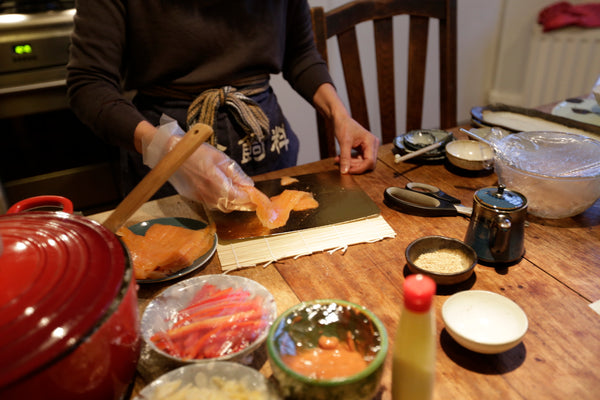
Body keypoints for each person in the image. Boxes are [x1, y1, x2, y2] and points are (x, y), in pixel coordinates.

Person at [67, 0, 379, 212]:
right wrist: (171, 151)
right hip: (165, 149)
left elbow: (299, 53)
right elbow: (89, 84)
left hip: (266, 144)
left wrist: (340, 115)